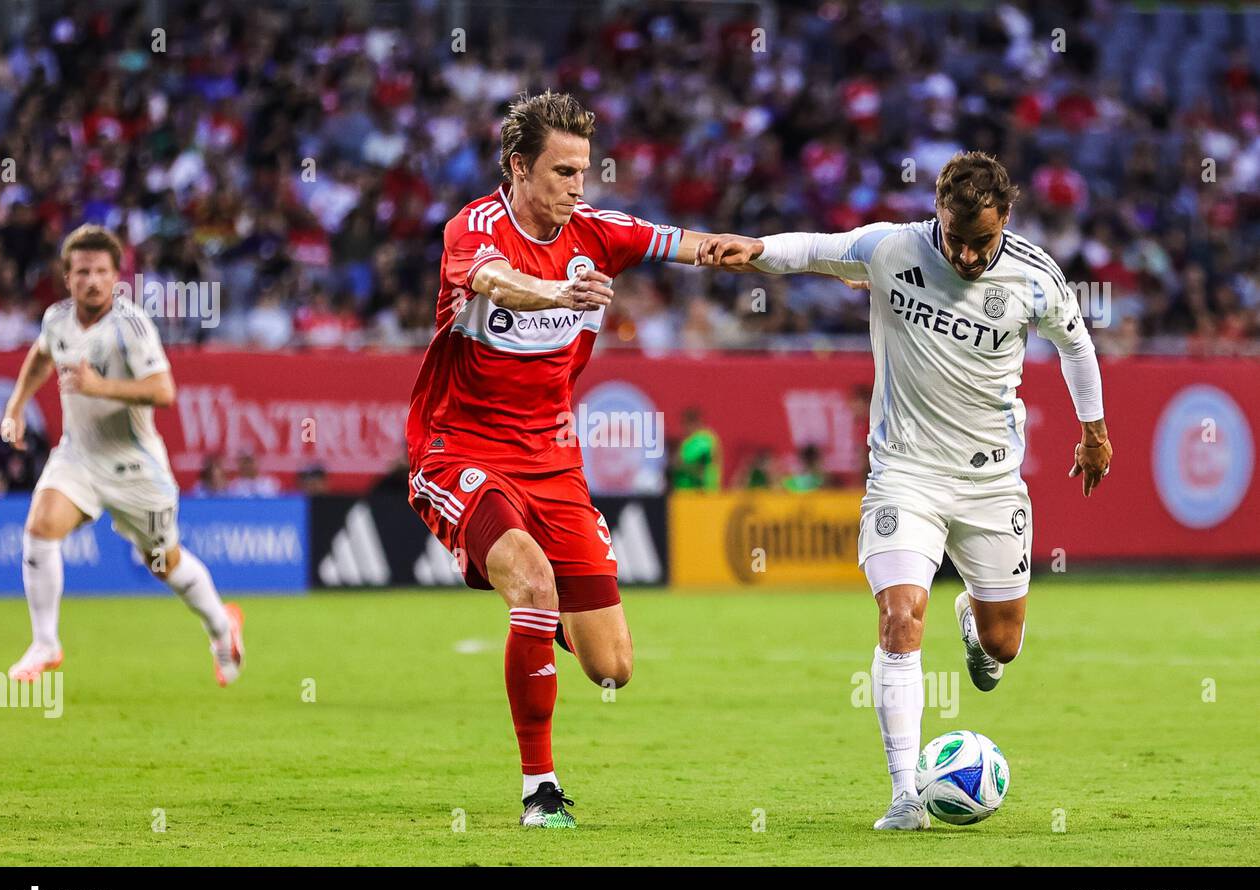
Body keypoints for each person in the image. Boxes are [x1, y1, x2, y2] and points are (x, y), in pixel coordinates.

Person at [696, 151, 1113, 830]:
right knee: (900, 617)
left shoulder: (1037, 276)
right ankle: (904, 795)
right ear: (937, 217)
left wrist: (1094, 432)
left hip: (990, 481)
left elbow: (1076, 346)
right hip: (904, 476)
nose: (969, 257)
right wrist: (753, 251)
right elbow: (812, 249)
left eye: (982, 242)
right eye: (956, 240)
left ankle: (976, 634)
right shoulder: (894, 249)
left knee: (1005, 644)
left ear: (1005, 217)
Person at [404, 90, 727, 828]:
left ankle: (539, 617)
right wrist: (558, 288)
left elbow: (687, 245)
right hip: (459, 448)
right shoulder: (475, 227)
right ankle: (539, 791)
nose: (577, 186)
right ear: (518, 168)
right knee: (532, 579)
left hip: (553, 460)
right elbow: (491, 280)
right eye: (561, 171)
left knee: (611, 668)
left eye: (583, 170)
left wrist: (775, 256)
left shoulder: (599, 231)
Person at [0, 225, 245, 686]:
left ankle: (221, 626)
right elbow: (40, 356)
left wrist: (99, 386)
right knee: (40, 525)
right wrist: (14, 407)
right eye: (81, 272)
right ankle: (45, 643)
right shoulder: (57, 319)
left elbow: (164, 391)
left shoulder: (131, 327)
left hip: (135, 468)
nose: (91, 281)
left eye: (100, 272)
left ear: (117, 277)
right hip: (78, 456)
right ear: (67, 277)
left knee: (165, 565)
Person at [672, 407, 722, 490]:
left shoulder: (704, 440)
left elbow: (700, 466)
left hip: (701, 495)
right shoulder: (688, 441)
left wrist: (676, 465)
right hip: (685, 494)